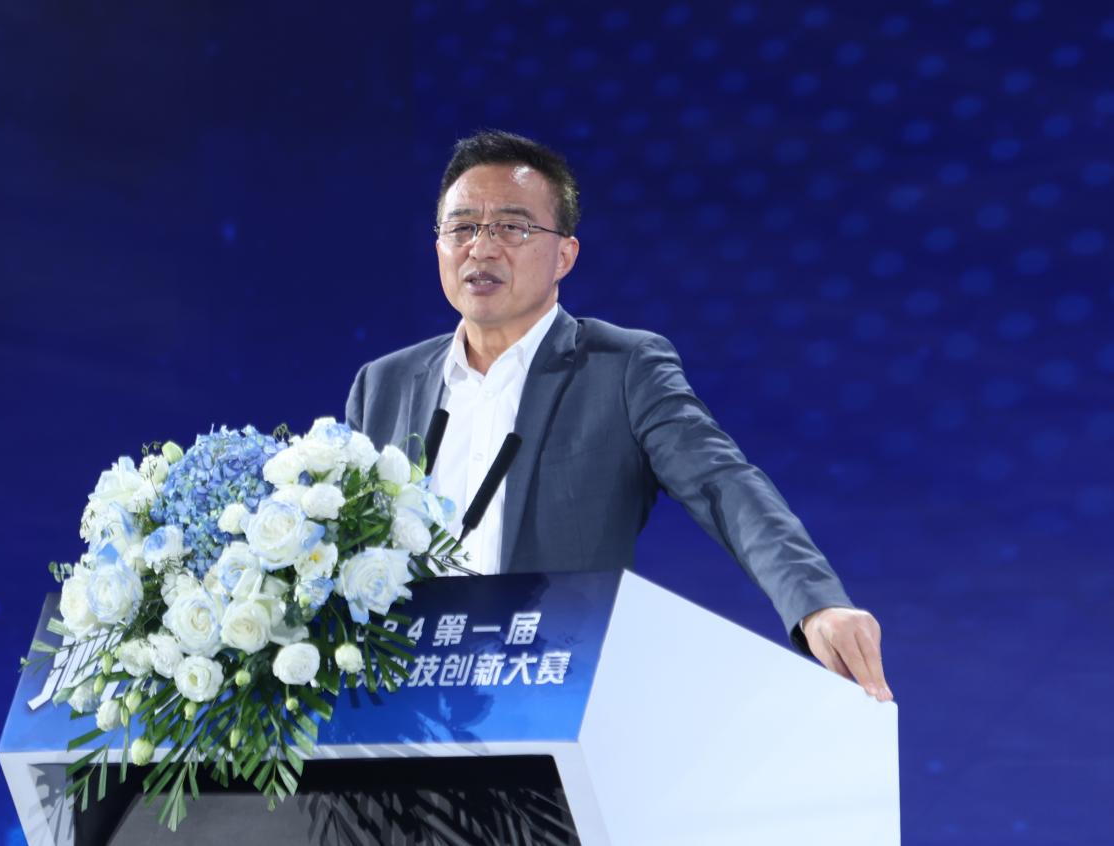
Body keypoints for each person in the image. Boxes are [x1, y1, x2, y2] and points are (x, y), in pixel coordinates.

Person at [346, 130, 891, 702]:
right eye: (462, 228)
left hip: (548, 695)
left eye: (511, 227)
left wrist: (816, 603)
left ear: (564, 255)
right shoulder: (382, 385)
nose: (481, 248)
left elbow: (724, 486)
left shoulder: (622, 368)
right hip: (399, 704)